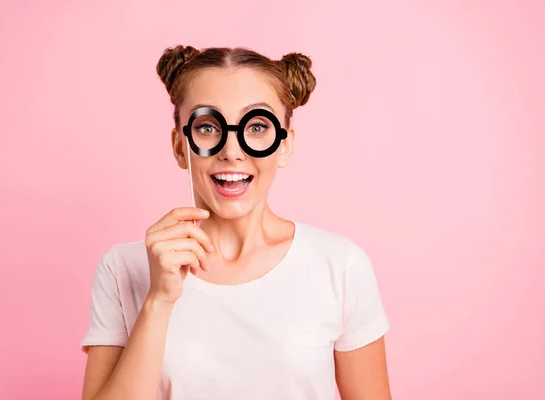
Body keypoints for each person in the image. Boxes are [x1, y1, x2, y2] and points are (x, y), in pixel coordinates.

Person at [80, 45, 392, 400]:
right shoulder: (122, 270)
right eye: (208, 127)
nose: (232, 150)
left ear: (284, 145)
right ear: (181, 147)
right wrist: (158, 301)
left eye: (257, 126)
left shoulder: (340, 265)